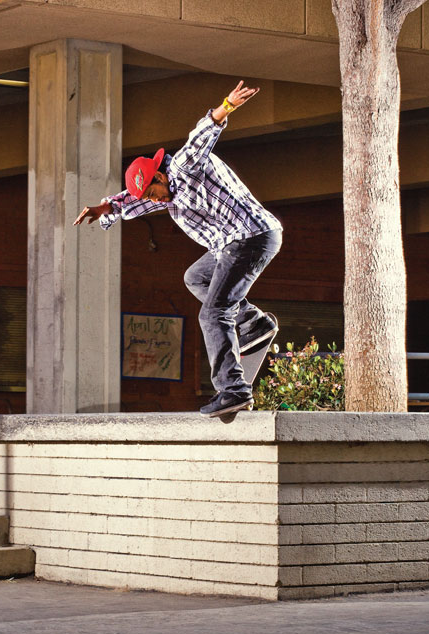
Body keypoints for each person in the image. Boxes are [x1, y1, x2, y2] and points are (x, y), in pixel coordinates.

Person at [74, 81, 283, 417]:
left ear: (160, 173)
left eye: (154, 192)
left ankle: (233, 390)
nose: (156, 201)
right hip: (229, 244)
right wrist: (104, 209)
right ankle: (253, 323)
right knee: (195, 276)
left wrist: (226, 105)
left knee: (213, 313)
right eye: (151, 199)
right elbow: (131, 201)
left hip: (250, 236)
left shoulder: (184, 166)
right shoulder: (162, 194)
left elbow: (202, 135)